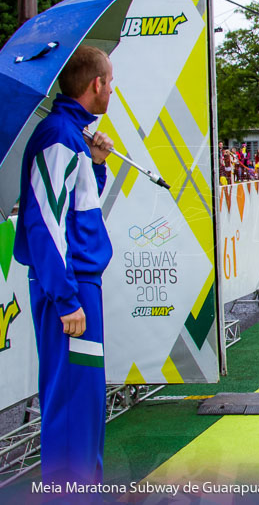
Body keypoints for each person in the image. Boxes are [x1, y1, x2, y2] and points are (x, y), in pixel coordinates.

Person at [14, 45, 115, 485]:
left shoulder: (73, 136)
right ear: (96, 85)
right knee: (72, 403)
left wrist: (96, 164)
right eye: (110, 81)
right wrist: (66, 296)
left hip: (78, 286)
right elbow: (44, 225)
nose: (112, 88)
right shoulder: (57, 136)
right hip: (70, 290)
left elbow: (76, 210)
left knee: (86, 403)